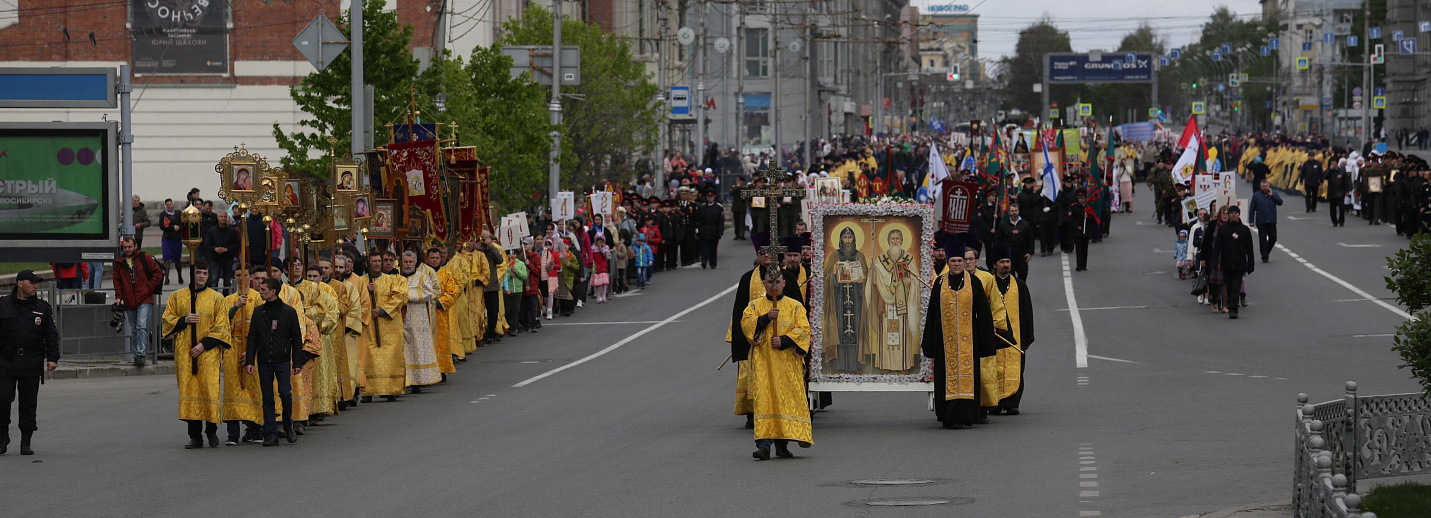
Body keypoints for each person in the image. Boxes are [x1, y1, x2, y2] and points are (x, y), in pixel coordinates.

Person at [920, 240, 997, 429]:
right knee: (946, 379)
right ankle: (949, 416)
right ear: (948, 262)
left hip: (969, 341)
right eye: (953, 260)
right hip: (944, 343)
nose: (956, 264)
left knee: (969, 376)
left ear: (964, 262)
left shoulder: (974, 283)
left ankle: (968, 415)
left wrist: (986, 341)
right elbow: (932, 314)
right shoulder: (940, 283)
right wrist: (929, 343)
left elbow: (984, 314)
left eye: (959, 260)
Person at [739, 268, 813, 460]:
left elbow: (804, 330)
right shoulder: (755, 306)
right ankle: (763, 445)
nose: (774, 286)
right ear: (763, 283)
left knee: (785, 402)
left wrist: (786, 340)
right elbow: (746, 325)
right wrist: (765, 318)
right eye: (770, 282)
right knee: (765, 401)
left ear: (784, 283)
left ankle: (782, 444)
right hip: (765, 364)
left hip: (787, 364)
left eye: (777, 282)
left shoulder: (795, 306)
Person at [160, 261, 232, 449]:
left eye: (205, 273)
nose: (201, 276)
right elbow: (167, 321)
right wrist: (183, 320)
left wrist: (204, 345)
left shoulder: (217, 298)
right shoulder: (178, 296)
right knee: (189, 390)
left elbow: (222, 326)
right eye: (198, 272)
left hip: (208, 353)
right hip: (185, 352)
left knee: (209, 389)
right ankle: (195, 435)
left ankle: (211, 431)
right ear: (192, 274)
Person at [244, 277, 311, 446]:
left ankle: (288, 425)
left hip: (282, 360)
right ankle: (271, 433)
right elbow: (253, 337)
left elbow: (296, 339)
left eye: (263, 290)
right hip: (264, 360)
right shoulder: (259, 312)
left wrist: (296, 363)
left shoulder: (288, 312)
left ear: (273, 291)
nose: (260, 292)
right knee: (267, 397)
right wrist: (250, 360)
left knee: (285, 394)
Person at [0, 270, 59, 455]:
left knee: (28, 403)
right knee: (2, 400)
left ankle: (26, 441)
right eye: (32, 282)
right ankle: (2, 438)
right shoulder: (3, 305)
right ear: (20, 284)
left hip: (31, 361)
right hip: (6, 361)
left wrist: (52, 358)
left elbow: (51, 335)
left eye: (37, 283)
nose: (35, 286)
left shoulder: (43, 308)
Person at [864, 227, 921, 373]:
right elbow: (875, 281)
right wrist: (873, 271)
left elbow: (916, 278)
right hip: (886, 301)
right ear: (888, 241)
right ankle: (886, 364)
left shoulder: (908, 258)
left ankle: (903, 365)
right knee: (886, 333)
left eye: (898, 238)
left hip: (903, 302)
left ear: (902, 240)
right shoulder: (880, 260)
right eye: (892, 239)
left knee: (902, 333)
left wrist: (911, 282)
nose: (895, 241)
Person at [221, 266, 266, 445]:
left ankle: (256, 429)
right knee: (232, 388)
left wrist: (251, 350)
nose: (241, 278)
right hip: (233, 347)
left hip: (253, 349)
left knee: (253, 387)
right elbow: (223, 322)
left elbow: (263, 326)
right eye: (238, 275)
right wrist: (236, 306)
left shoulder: (258, 298)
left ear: (251, 276)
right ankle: (233, 433)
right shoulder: (229, 299)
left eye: (244, 275)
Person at [990, 246, 1034, 414]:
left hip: (1016, 337)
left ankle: (1012, 403)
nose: (1006, 265)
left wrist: (1028, 337)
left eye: (1008, 261)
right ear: (995, 264)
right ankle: (995, 402)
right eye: (1002, 262)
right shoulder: (988, 283)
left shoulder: (1020, 286)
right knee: (994, 368)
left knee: (1015, 369)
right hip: (994, 336)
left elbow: (1027, 312)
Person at [361, 253, 408, 402]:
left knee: (390, 356)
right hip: (369, 327)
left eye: (378, 261)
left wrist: (382, 310)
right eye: (373, 261)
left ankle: (391, 389)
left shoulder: (393, 280)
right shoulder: (362, 281)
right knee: (368, 356)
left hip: (389, 326)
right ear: (368, 263)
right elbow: (355, 300)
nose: (376, 264)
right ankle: (368, 390)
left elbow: (401, 297)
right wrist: (366, 292)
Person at [820, 227, 866, 375]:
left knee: (856, 330)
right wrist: (832, 275)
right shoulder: (835, 256)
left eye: (850, 238)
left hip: (856, 301)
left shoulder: (860, 256)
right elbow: (825, 278)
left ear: (854, 240)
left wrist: (862, 280)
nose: (847, 241)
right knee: (839, 330)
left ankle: (856, 365)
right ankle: (837, 364)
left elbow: (867, 279)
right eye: (845, 238)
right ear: (840, 240)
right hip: (838, 300)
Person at [114, 236, 163, 367]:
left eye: (129, 247)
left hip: (144, 298)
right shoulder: (119, 262)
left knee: (141, 326)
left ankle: (141, 354)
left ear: (135, 246)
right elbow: (117, 281)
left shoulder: (144, 258)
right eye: (125, 247)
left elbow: (158, 273)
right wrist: (118, 296)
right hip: (129, 300)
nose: (127, 249)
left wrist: (148, 288)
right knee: (135, 329)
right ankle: (137, 354)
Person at [401, 251, 442, 392]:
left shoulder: (422, 277)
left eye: (410, 262)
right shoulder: (397, 277)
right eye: (405, 262)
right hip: (401, 319)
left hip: (418, 321)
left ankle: (418, 381)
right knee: (402, 351)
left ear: (415, 263)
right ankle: (404, 380)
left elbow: (429, 293)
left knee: (417, 350)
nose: (407, 264)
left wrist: (407, 296)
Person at [1213, 205, 1255, 319]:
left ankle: (1234, 309)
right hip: (1226, 263)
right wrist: (1215, 261)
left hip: (1239, 263)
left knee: (1236, 286)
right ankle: (1231, 304)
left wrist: (1251, 263)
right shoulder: (1223, 229)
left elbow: (1249, 248)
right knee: (1229, 287)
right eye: (1231, 213)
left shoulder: (1244, 230)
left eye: (1235, 213)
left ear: (1239, 214)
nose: (1233, 215)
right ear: (1229, 215)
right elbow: (1217, 247)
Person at [994, 204, 1034, 280]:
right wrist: (998, 254)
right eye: (1012, 211)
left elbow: (1030, 239)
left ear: (1018, 212)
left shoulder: (1025, 224)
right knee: (1010, 276)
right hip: (1008, 255)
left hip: (1022, 255)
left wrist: (1030, 253)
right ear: (1009, 212)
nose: (1014, 213)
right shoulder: (1003, 225)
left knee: (1023, 273)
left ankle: (1021, 290)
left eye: (1016, 211)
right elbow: (997, 240)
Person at [202, 211, 240, 291]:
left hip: (228, 258)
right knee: (213, 280)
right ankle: (213, 299)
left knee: (227, 281)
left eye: (225, 217)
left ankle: (226, 299)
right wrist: (215, 249)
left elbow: (237, 244)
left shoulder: (232, 231)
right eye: (221, 216)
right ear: (218, 218)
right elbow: (207, 244)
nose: (223, 218)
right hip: (215, 258)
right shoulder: (212, 230)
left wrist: (227, 249)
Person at [1248, 180, 1283, 263]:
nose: (1264, 188)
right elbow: (1252, 208)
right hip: (1261, 220)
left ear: (1268, 186)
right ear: (1260, 186)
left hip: (1271, 220)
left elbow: (1280, 202)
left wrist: (1272, 196)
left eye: (1266, 186)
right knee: (1262, 239)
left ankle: (1266, 251)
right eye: (1263, 186)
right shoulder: (1256, 195)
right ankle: (1264, 256)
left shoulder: (1274, 194)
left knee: (1273, 238)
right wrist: (1251, 220)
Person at [696, 188, 725, 269]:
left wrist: (720, 231)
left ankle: (713, 263)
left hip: (714, 230)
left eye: (711, 196)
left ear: (714, 197)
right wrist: (699, 230)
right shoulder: (702, 207)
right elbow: (699, 219)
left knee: (713, 248)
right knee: (704, 247)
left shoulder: (718, 207)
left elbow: (721, 221)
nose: (710, 198)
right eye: (708, 196)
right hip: (704, 229)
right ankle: (704, 261)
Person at [159, 199, 184, 284]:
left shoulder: (178, 213)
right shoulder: (163, 214)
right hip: (167, 238)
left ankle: (179, 276)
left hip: (177, 239)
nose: (169, 206)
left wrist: (179, 227)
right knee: (166, 258)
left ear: (173, 204)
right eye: (167, 205)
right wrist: (172, 227)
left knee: (177, 259)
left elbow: (183, 223)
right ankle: (166, 278)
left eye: (170, 204)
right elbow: (161, 226)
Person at [1326, 162, 1352, 227]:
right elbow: (1325, 177)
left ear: (1337, 164)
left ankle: (1341, 221)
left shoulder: (1342, 171)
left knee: (1341, 208)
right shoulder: (1330, 171)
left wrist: (1347, 190)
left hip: (1340, 192)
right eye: (1332, 164)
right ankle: (1334, 221)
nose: (1333, 165)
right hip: (1332, 192)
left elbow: (1346, 182)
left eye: (1334, 163)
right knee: (1332, 209)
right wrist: (1330, 169)